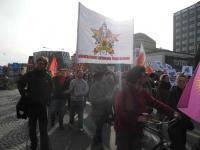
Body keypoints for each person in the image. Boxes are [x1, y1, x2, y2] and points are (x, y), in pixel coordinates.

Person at [114, 66, 180, 150]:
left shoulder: (141, 91)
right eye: (143, 76)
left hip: (137, 129)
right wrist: (136, 119)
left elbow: (155, 103)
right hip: (124, 130)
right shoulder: (123, 90)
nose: (146, 78)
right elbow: (120, 111)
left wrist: (172, 112)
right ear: (137, 78)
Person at [17, 56, 52, 150]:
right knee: (32, 129)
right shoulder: (30, 74)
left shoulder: (48, 76)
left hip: (43, 108)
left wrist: (48, 99)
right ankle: (34, 145)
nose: (40, 65)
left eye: (42, 64)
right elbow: (20, 84)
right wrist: (25, 95)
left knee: (43, 130)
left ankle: (44, 148)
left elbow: (51, 89)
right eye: (38, 63)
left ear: (45, 65)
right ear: (36, 64)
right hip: (32, 106)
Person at [89, 71, 117, 149]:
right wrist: (105, 99)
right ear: (99, 77)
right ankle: (96, 146)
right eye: (103, 76)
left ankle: (98, 145)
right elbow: (92, 100)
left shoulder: (105, 85)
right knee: (98, 132)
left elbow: (110, 94)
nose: (105, 77)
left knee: (102, 132)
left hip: (105, 112)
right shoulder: (94, 87)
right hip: (97, 113)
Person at [167, 74, 194, 150]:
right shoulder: (173, 92)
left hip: (183, 123)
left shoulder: (187, 93)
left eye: (183, 81)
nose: (181, 83)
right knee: (178, 145)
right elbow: (172, 107)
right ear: (177, 81)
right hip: (175, 123)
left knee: (182, 141)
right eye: (180, 81)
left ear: (186, 82)